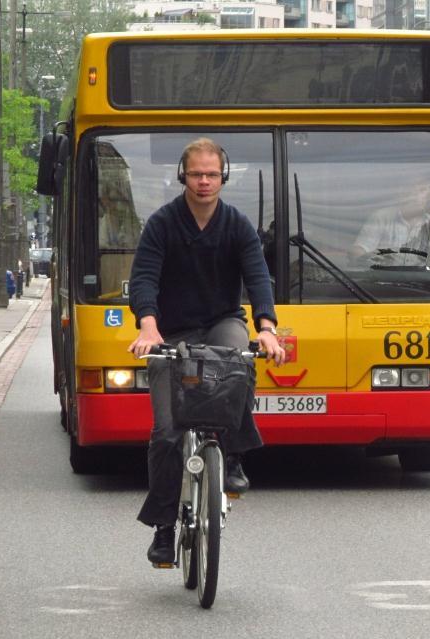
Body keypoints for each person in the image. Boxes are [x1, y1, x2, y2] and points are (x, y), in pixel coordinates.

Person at [128, 137, 286, 565]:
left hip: (221, 323)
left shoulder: (236, 225)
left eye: (211, 174)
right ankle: (164, 529)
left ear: (223, 177)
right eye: (196, 173)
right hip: (171, 331)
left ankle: (231, 455)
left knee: (240, 358)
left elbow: (258, 278)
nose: (203, 181)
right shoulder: (161, 224)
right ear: (183, 175)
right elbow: (144, 278)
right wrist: (148, 325)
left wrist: (267, 329)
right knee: (166, 433)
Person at [348, 184, 430, 266]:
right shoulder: (382, 217)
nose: (419, 196)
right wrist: (372, 265)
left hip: (426, 290)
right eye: (415, 190)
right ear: (402, 193)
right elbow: (358, 251)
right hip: (383, 285)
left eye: (424, 191)